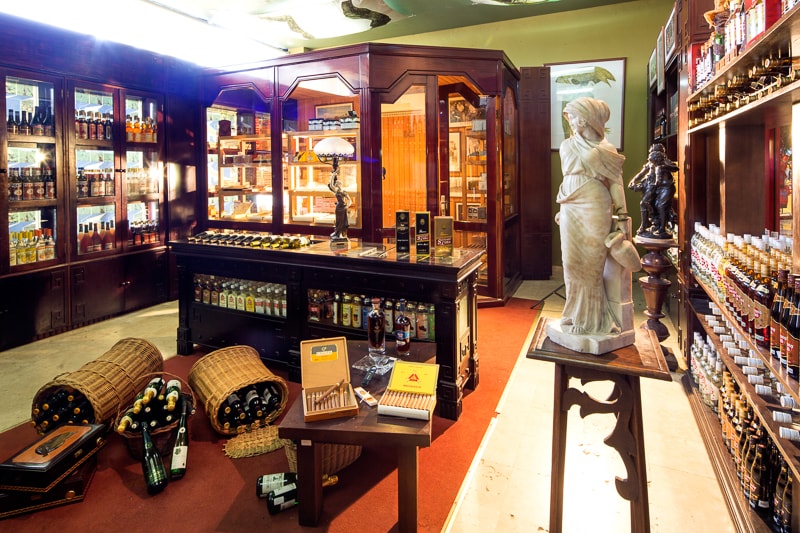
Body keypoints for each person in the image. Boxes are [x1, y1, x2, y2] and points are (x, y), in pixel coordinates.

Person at [553, 97, 633, 337]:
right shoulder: (567, 145)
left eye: (573, 116)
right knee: (570, 262)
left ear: (587, 118)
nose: (570, 120)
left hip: (595, 205)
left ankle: (592, 319)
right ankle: (573, 312)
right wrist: (563, 208)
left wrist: (622, 215)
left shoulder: (606, 149)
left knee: (591, 264)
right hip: (570, 205)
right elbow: (567, 177)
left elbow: (616, 183)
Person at [628, 143, 677, 239]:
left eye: (654, 153)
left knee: (660, 206)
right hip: (653, 187)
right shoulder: (651, 163)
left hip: (663, 188)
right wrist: (633, 180)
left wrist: (663, 166)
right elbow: (641, 173)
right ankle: (648, 226)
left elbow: (675, 168)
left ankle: (661, 228)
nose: (651, 156)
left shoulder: (664, 162)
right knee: (646, 204)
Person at [329, 172, 351, 240]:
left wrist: (347, 206)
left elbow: (349, 200)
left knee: (343, 221)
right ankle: (337, 233)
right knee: (338, 221)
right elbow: (331, 185)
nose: (337, 185)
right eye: (336, 184)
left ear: (340, 184)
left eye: (338, 184)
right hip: (338, 207)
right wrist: (333, 176)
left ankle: (342, 233)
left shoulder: (344, 192)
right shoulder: (336, 190)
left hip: (343, 207)